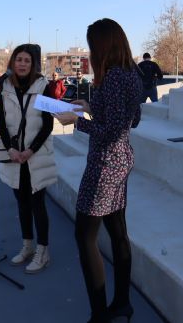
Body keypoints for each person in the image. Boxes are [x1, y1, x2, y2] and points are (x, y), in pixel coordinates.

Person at [55, 18, 142, 323]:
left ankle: (100, 315)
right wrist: (89, 107)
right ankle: (122, 304)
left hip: (106, 164)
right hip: (120, 161)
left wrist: (75, 120)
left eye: (92, 45)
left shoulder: (115, 77)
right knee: (118, 232)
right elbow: (133, 119)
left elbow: (112, 131)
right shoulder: (131, 74)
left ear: (102, 45)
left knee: (84, 236)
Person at [0, 44, 57, 274]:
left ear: (33, 65)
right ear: (12, 62)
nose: (22, 64)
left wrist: (30, 150)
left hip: (36, 155)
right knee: (22, 203)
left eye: (26, 60)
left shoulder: (43, 86)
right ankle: (28, 245)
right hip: (14, 156)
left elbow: (48, 124)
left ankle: (43, 251)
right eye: (18, 59)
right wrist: (11, 148)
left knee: (37, 204)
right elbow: (1, 122)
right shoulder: (5, 86)